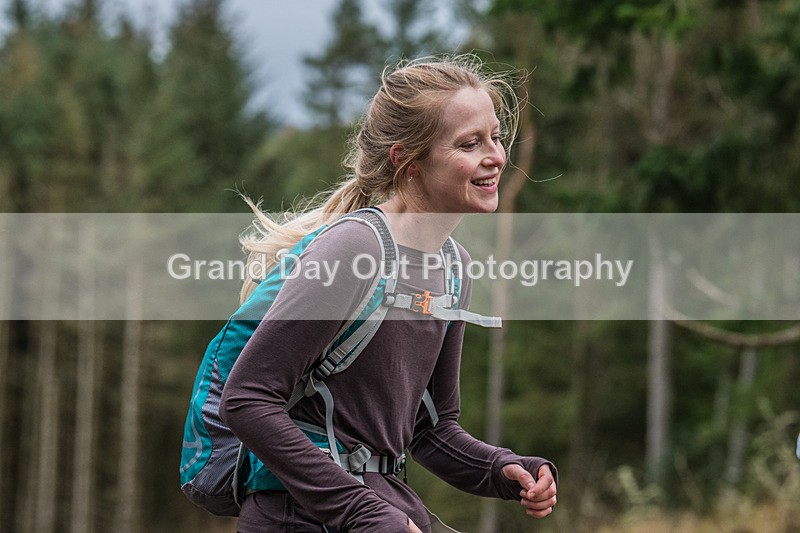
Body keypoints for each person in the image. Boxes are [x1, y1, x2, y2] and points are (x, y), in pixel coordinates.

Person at [219, 54, 557, 533]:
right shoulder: (354, 248)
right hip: (300, 516)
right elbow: (247, 399)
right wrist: (361, 511)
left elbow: (431, 430)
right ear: (408, 161)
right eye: (469, 143)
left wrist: (502, 470)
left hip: (380, 510)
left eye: (496, 138)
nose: (496, 157)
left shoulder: (453, 266)